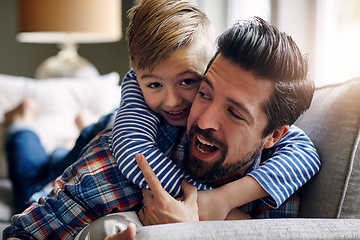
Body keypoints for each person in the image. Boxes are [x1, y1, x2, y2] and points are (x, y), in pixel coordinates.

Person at [3, 1, 319, 240]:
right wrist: (200, 205)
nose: (203, 118)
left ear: (273, 135)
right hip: (103, 133)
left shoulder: (281, 183)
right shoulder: (135, 150)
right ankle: (22, 124)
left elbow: (305, 152)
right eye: (205, 93)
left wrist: (211, 214)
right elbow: (27, 231)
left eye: (234, 112)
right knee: (33, 179)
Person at [4, 98, 117, 213]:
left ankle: (83, 130)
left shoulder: (121, 116)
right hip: (57, 184)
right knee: (26, 137)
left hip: (52, 183)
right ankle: (82, 131)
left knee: (52, 152)